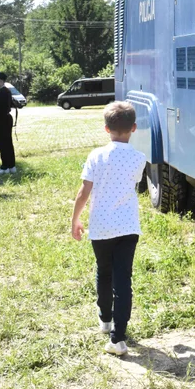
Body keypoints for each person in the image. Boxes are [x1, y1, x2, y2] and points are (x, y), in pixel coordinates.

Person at [70, 101, 147, 356]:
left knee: (104, 272)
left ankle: (105, 319)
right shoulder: (139, 159)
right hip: (128, 226)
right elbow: (131, 183)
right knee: (123, 278)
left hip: (101, 226)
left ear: (106, 129)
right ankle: (119, 338)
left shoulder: (96, 156)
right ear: (133, 128)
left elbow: (84, 191)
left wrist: (75, 219)